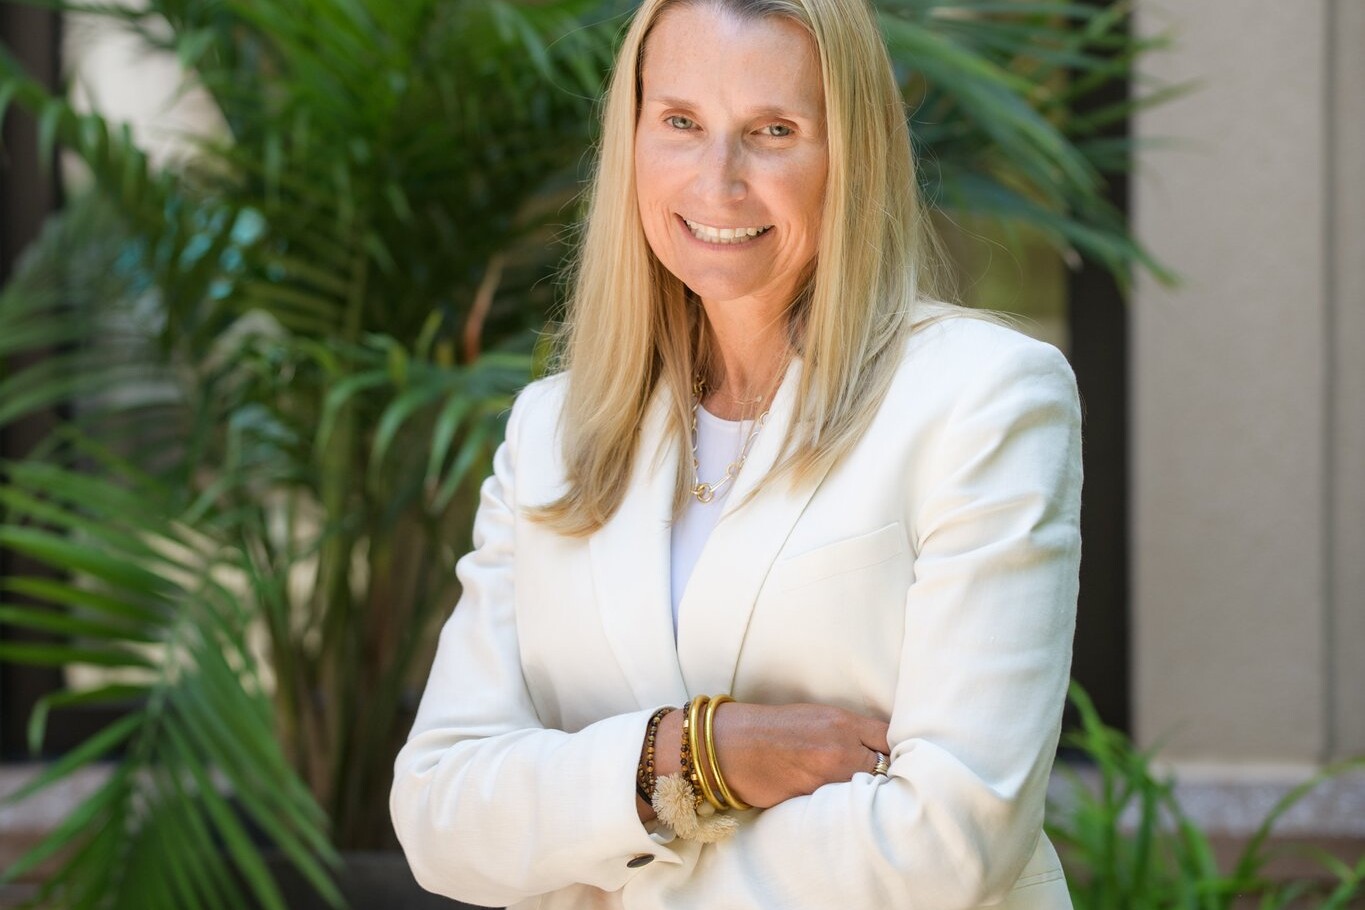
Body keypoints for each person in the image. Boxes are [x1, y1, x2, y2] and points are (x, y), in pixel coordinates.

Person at [390, 0, 1081, 904]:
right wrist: (695, 754)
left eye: (773, 131)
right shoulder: (551, 432)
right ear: (631, 137)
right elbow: (441, 813)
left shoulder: (982, 397)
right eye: (680, 122)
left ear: (853, 154)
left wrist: (586, 840)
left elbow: (952, 836)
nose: (718, 180)